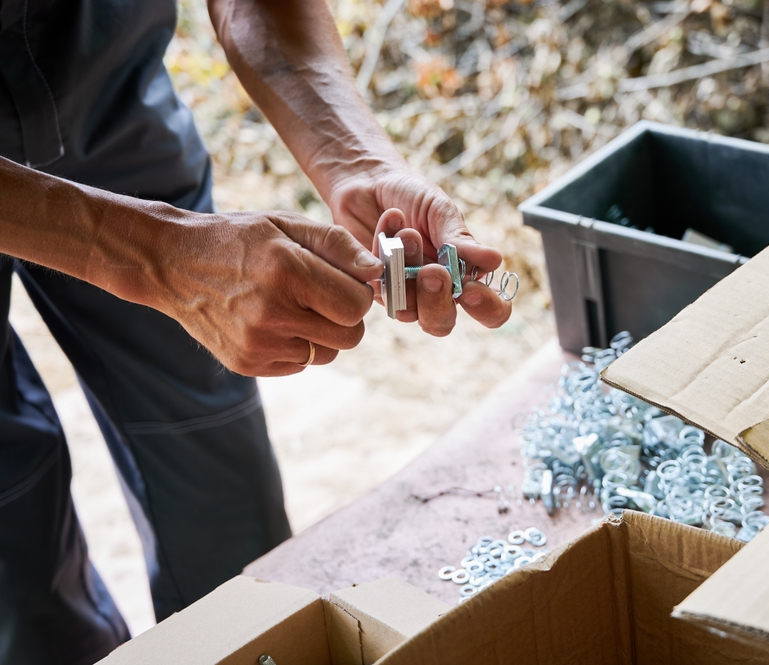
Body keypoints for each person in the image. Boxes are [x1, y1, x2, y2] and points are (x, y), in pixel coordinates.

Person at [0, 1, 512, 662]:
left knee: (221, 489)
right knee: (15, 550)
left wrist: (351, 157)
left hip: (101, 78)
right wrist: (155, 255)